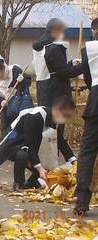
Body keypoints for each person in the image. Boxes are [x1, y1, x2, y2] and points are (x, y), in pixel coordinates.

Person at [0, 96, 77, 191]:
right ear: (56, 110)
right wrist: (40, 168)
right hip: (13, 144)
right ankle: (18, 183)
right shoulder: (34, 117)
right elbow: (30, 144)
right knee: (23, 155)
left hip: (31, 144)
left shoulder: (58, 119)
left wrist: (74, 162)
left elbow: (60, 141)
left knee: (45, 167)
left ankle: (32, 182)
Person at [74, 18, 98, 215]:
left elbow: (89, 79)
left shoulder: (88, 49)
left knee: (88, 152)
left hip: (96, 103)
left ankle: (82, 200)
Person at [32, 18, 83, 107]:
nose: (62, 35)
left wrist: (72, 63)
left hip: (43, 90)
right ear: (55, 30)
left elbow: (53, 69)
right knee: (57, 120)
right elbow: (65, 72)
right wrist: (84, 66)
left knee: (46, 118)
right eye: (62, 32)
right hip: (56, 91)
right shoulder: (53, 49)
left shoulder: (39, 48)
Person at [0, 60, 33, 133]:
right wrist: (1, 102)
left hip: (20, 104)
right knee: (5, 129)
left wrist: (23, 80)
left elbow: (28, 82)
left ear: (2, 69)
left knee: (21, 127)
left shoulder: (15, 70)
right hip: (6, 107)